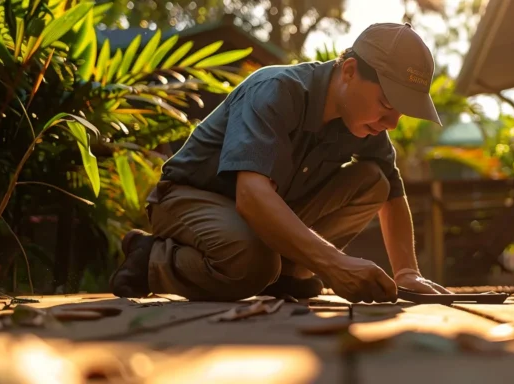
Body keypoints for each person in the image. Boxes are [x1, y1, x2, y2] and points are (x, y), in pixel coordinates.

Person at [109, 22, 452, 303]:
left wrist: (408, 273)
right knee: (252, 264)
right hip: (187, 198)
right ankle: (151, 258)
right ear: (349, 71)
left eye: (400, 113)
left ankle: (285, 274)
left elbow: (391, 194)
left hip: (257, 216)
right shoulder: (276, 89)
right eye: (386, 103)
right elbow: (252, 195)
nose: (391, 124)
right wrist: (334, 264)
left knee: (373, 180)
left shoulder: (365, 124)